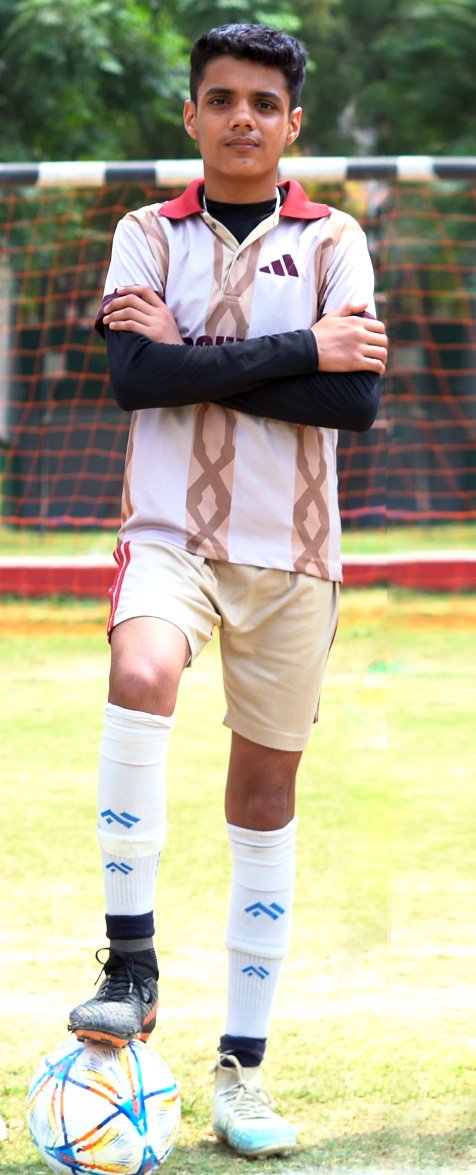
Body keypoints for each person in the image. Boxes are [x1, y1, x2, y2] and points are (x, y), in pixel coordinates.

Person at [68, 22, 388, 1158]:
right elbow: (133, 379)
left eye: (262, 102)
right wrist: (300, 349)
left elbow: (352, 406)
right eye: (221, 99)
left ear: (292, 124)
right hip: (172, 537)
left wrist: (193, 358)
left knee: (261, 798)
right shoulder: (143, 233)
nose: (241, 117)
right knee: (139, 670)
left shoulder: (336, 238)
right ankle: (130, 962)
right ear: (191, 115)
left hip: (296, 556)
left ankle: (240, 1072)